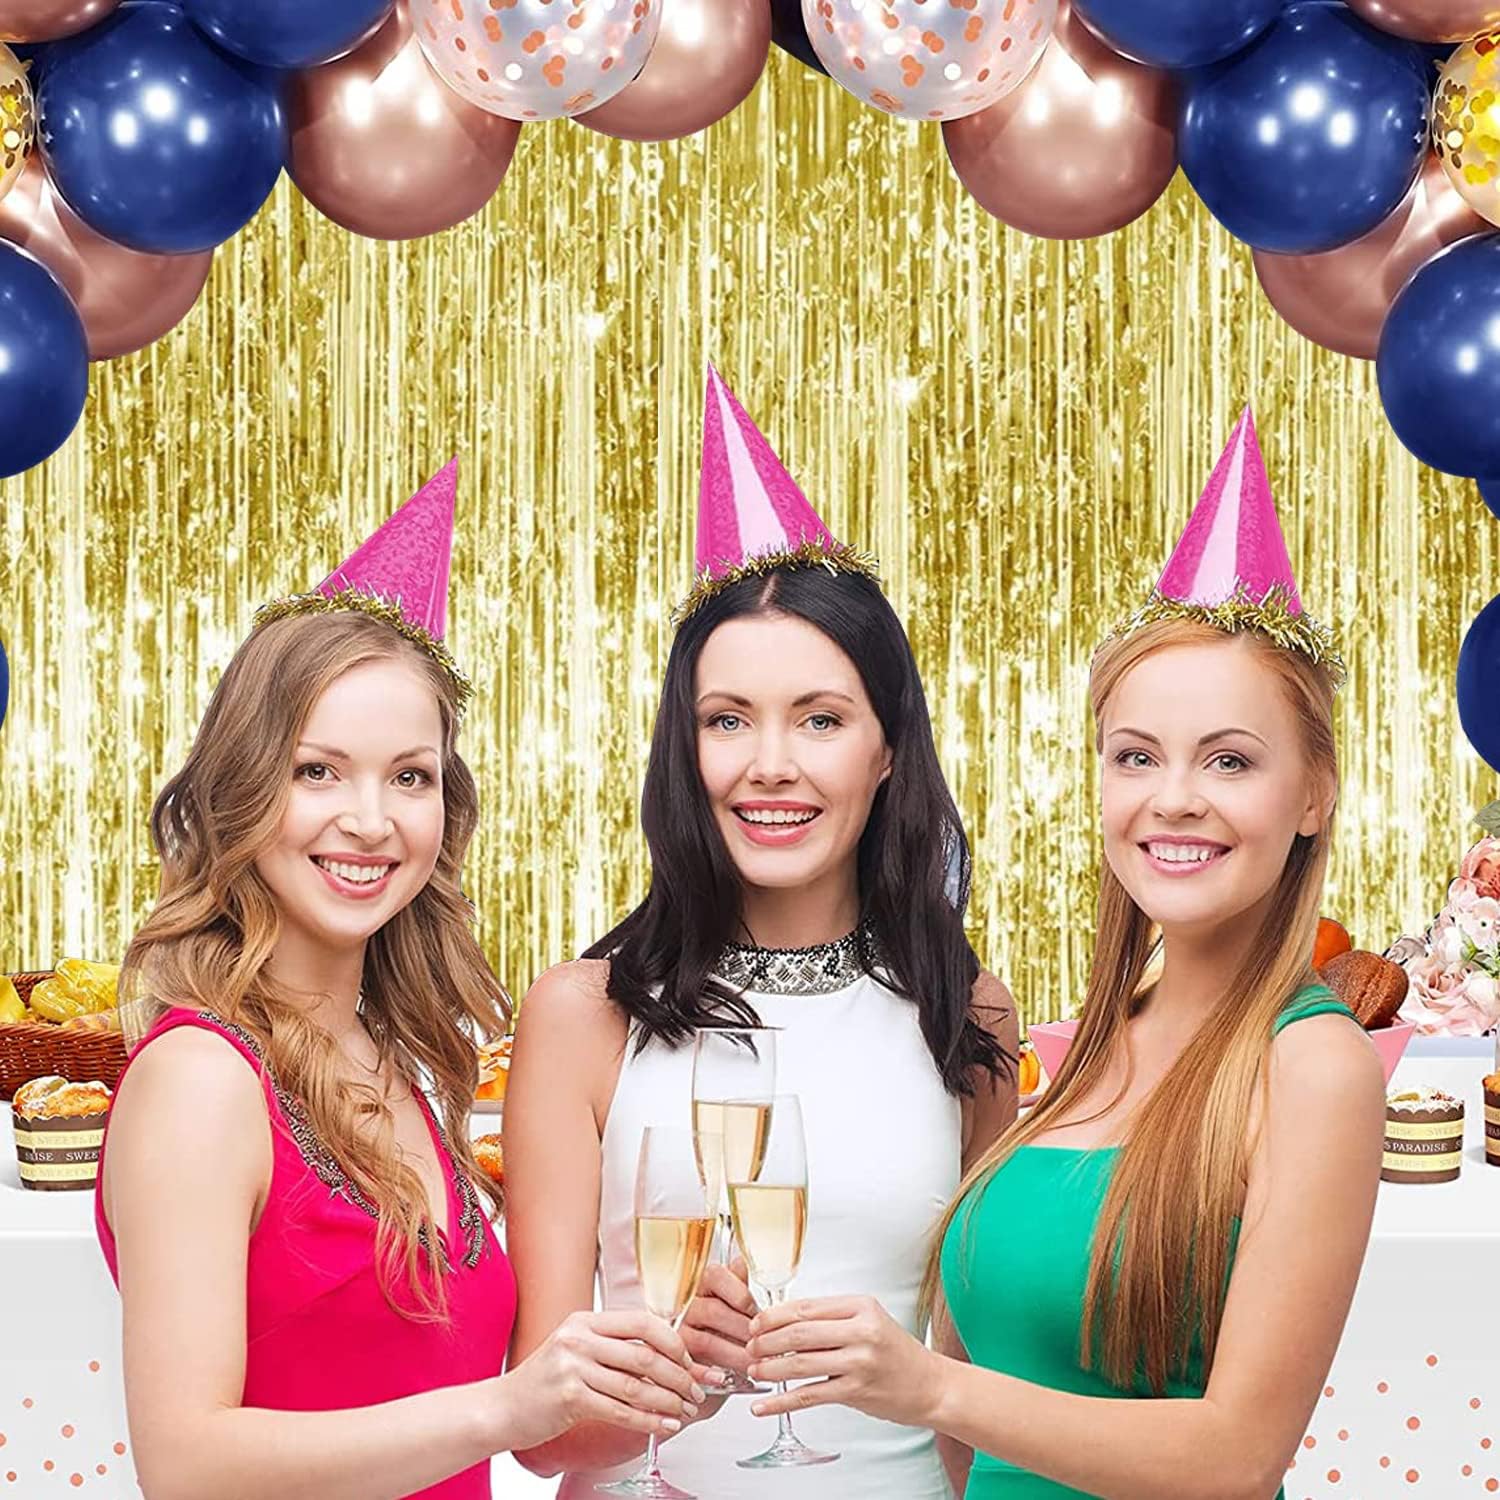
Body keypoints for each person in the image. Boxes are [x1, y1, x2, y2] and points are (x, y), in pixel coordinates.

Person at [742, 411, 1386, 1500]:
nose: (1173, 798)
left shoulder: (1313, 1065)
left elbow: (1238, 1457)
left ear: (1314, 795)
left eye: (1229, 761)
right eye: (1136, 757)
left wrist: (930, 1390)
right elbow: (988, 1416)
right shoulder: (1098, 1045)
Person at [95, 463, 700, 1500]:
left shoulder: (396, 1062)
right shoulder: (200, 1078)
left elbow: (499, 1418)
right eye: (317, 771)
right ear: (241, 789)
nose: (371, 821)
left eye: (409, 777)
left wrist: (687, 1373)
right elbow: (187, 1467)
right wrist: (505, 1408)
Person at [504, 365, 1019, 1497]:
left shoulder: (966, 1009)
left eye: (820, 720)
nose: (770, 765)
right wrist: (677, 1373)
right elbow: (540, 1437)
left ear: (887, 752)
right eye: (728, 720)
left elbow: (969, 1383)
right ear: (685, 750)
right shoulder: (584, 1014)